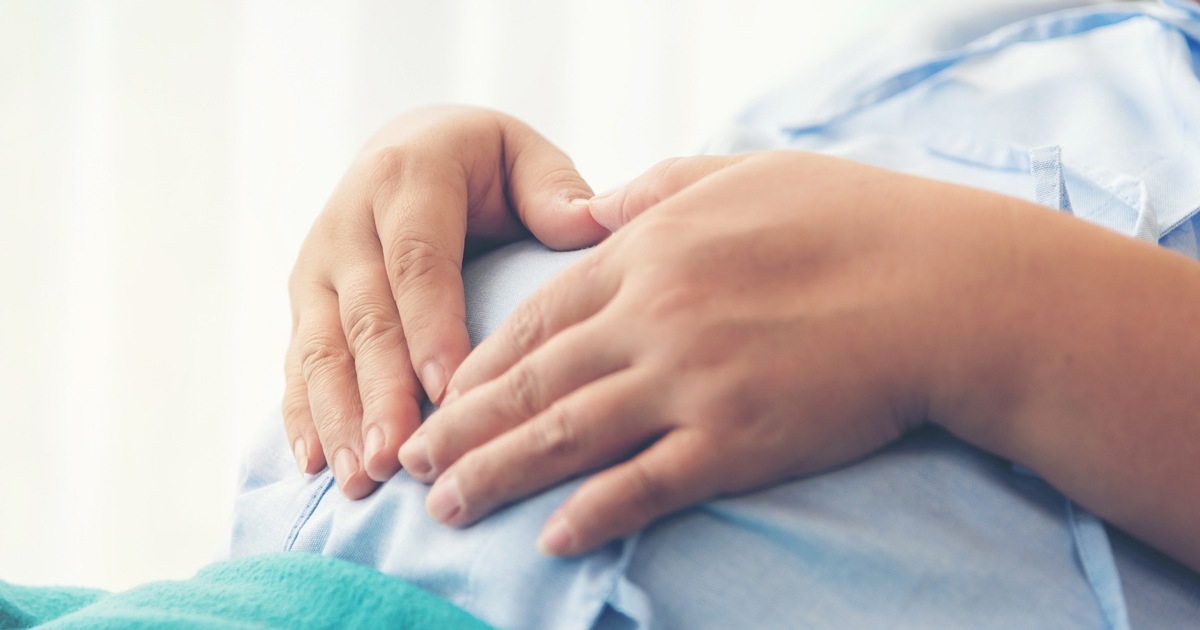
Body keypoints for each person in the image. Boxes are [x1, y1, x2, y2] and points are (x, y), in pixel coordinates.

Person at [232, 1, 1200, 628]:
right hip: (239, 590)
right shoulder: (948, 39)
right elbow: (737, 301)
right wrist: (483, 209)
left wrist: (970, 299)